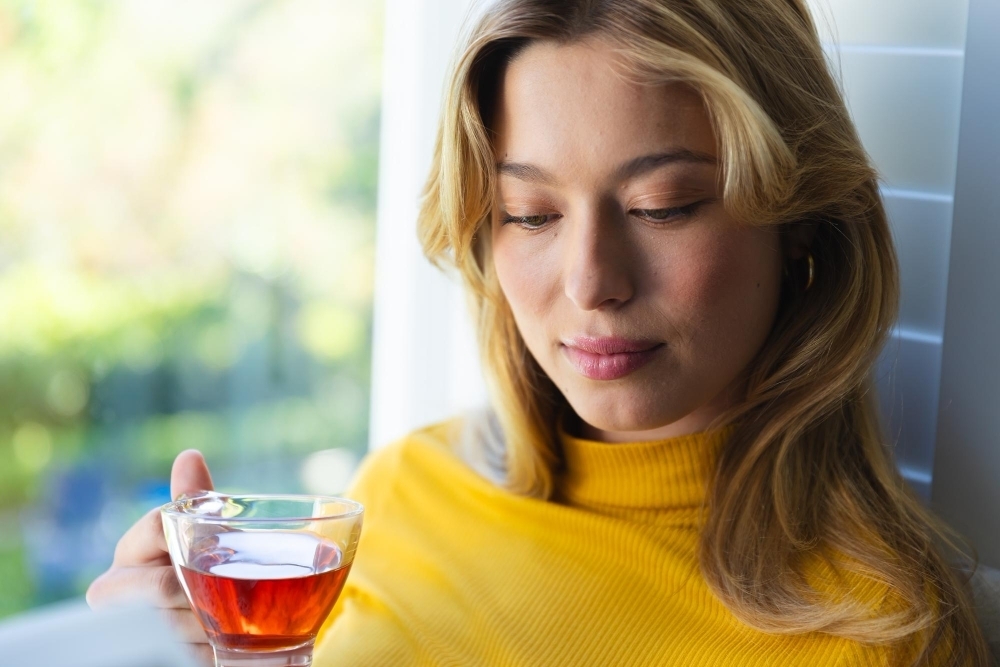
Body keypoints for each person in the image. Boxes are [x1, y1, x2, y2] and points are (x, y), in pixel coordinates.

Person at [86, 0, 993, 664]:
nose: (592, 281)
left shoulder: (881, 631)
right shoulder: (398, 491)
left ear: (797, 218)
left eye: (661, 205)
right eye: (529, 214)